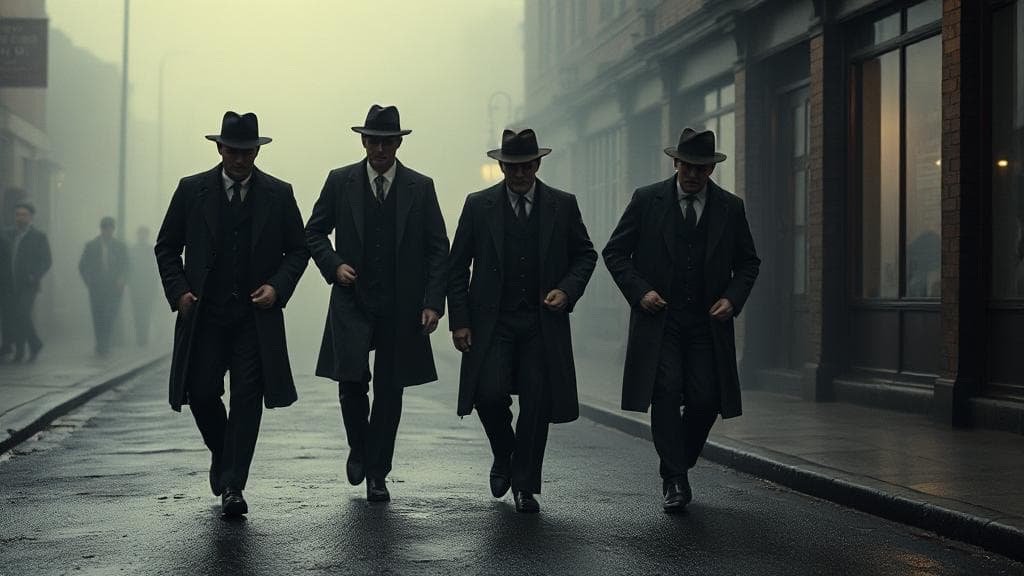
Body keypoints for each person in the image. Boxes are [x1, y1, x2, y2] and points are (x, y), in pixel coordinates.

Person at [154, 111, 309, 517]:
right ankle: (223, 455)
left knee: (247, 398)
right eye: (234, 150)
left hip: (253, 320)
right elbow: (166, 246)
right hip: (205, 316)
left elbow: (298, 249)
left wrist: (277, 287)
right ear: (220, 148)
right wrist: (181, 293)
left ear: (257, 150)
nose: (241, 159)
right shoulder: (192, 191)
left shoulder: (279, 193)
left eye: (248, 151)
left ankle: (234, 485)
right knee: (202, 392)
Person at [602, 128, 760, 512]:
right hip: (661, 321)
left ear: (710, 170)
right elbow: (616, 253)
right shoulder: (647, 200)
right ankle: (675, 479)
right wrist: (641, 292)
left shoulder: (730, 207)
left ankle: (678, 458)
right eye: (687, 165)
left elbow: (748, 263)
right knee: (667, 392)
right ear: (676, 163)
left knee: (706, 399)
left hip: (707, 321)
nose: (692, 174)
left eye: (701, 168)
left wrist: (732, 298)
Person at [447, 128, 597, 513]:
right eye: (512, 166)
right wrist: (459, 320)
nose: (519, 173)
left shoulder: (562, 205)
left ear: (538, 163)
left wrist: (566, 290)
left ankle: (525, 485)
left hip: (541, 323)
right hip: (491, 322)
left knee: (537, 401)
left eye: (526, 165)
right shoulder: (478, 205)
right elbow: (456, 266)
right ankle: (504, 454)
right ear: (501, 165)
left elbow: (585, 255)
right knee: (488, 394)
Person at [306, 104, 449, 503]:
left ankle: (377, 472)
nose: (381, 149)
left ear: (399, 143)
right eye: (374, 141)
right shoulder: (340, 182)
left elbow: (439, 248)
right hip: (353, 300)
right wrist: (334, 266)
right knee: (351, 382)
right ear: (363, 141)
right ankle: (359, 446)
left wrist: (432, 302)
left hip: (401, 305)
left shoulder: (420, 187)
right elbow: (314, 233)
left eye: (388, 142)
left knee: (391, 389)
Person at [0, 203, 52, 363]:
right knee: (15, 316)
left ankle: (30, 346)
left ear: (30, 217)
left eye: (23, 215)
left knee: (22, 313)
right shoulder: (7, 234)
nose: (20, 218)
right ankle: (26, 348)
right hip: (9, 283)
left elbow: (47, 260)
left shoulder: (38, 236)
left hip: (28, 284)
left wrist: (35, 275)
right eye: (17, 215)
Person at [79, 216, 129, 356]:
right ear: (101, 229)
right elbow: (83, 265)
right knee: (98, 315)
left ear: (113, 229)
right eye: (105, 228)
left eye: (110, 228)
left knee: (109, 316)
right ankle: (100, 343)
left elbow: (127, 265)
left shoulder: (120, 246)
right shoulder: (91, 246)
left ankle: (105, 344)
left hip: (114, 288)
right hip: (96, 287)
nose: (107, 231)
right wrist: (88, 281)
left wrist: (122, 278)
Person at [128, 226, 159, 346]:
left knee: (146, 313)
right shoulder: (133, 250)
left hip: (147, 288)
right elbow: (130, 269)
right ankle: (140, 338)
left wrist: (154, 287)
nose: (142, 236)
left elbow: (154, 270)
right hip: (136, 287)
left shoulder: (151, 250)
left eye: (144, 234)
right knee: (137, 313)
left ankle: (143, 338)